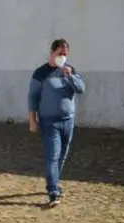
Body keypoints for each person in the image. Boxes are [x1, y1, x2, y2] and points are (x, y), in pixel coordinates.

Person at [27, 38, 85, 207]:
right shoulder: (41, 73)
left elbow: (80, 89)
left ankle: (54, 181)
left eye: (65, 54)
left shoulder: (69, 70)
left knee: (62, 155)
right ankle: (52, 190)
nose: (63, 57)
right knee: (53, 155)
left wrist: (70, 75)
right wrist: (32, 119)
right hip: (49, 121)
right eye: (60, 53)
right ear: (52, 53)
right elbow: (33, 97)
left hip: (68, 120)